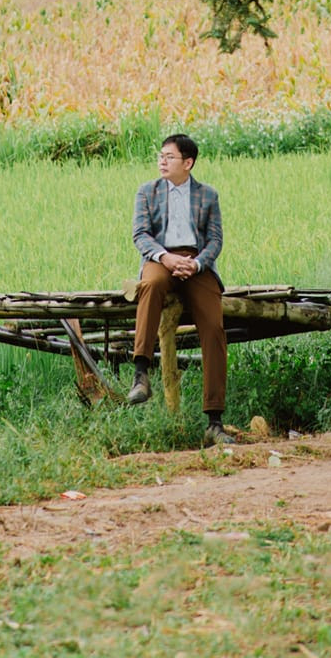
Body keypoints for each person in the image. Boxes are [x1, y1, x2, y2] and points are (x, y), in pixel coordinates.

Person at [129, 131, 230, 444]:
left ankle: (214, 420)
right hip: (161, 258)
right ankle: (141, 374)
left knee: (214, 326)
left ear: (188, 163)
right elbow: (141, 235)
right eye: (160, 156)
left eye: (169, 157)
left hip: (196, 263)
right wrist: (166, 257)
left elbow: (215, 239)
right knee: (150, 285)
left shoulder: (207, 195)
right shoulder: (147, 192)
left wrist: (197, 264)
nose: (162, 161)